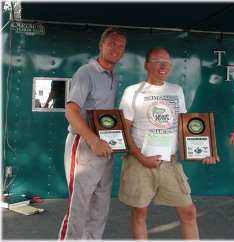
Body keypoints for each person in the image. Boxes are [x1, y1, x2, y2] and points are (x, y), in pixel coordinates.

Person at [119, 48, 217, 239]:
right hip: (139, 162)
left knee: (188, 212)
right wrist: (141, 157)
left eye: (167, 62)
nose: (164, 66)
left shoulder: (176, 90)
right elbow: (124, 129)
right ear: (147, 65)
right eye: (158, 61)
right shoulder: (132, 92)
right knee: (140, 214)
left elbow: (184, 127)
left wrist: (203, 152)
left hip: (170, 162)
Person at [58, 27, 126, 240]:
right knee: (79, 206)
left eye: (121, 46)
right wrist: (93, 140)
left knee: (100, 204)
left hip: (105, 147)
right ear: (101, 45)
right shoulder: (86, 72)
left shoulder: (113, 76)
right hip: (85, 145)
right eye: (112, 43)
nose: (116, 49)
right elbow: (70, 110)